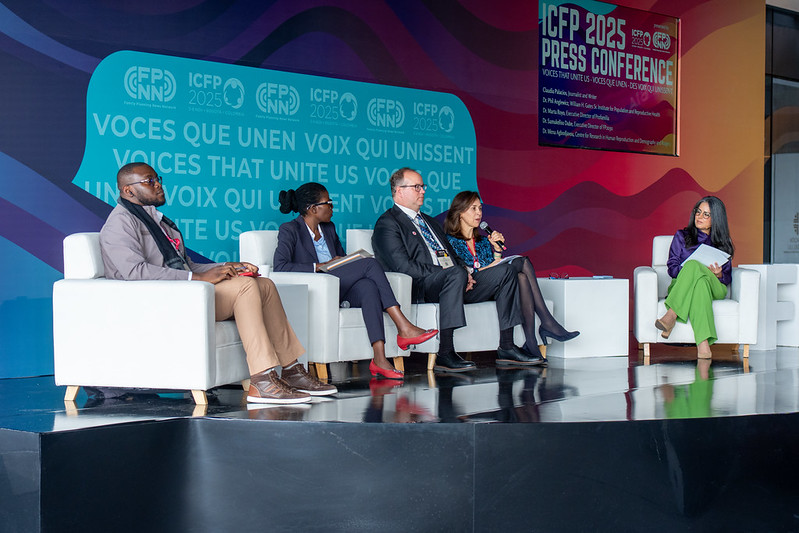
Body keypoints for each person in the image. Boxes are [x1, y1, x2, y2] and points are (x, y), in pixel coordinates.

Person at [99, 162, 336, 404]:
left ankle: (291, 370)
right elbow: (133, 271)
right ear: (128, 191)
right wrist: (197, 278)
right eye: (149, 181)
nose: (158, 184)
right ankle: (263, 379)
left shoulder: (157, 221)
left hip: (183, 293)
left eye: (157, 178)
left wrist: (227, 267)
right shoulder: (120, 223)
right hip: (162, 302)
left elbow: (186, 265)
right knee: (245, 287)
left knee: (263, 285)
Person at [372, 167, 541, 371]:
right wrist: (451, 273)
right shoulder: (388, 223)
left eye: (422, 186)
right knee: (455, 274)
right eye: (416, 187)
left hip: (455, 279)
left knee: (507, 272)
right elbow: (403, 266)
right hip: (423, 286)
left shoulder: (429, 221)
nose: (423, 191)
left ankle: (507, 346)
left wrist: (465, 272)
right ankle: (446, 352)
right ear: (399, 191)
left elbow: (452, 254)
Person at [273, 182, 437, 380]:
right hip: (318, 287)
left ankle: (379, 358)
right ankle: (403, 327)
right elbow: (280, 266)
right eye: (329, 203)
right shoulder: (290, 230)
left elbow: (341, 259)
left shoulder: (329, 228)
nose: (332, 208)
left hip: (337, 283)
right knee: (370, 264)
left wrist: (344, 261)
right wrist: (320, 265)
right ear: (313, 208)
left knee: (368, 287)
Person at [443, 191, 579, 363]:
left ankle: (530, 342)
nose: (478, 213)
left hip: (493, 286)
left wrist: (497, 251)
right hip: (469, 288)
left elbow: (495, 271)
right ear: (460, 212)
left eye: (480, 208)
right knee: (522, 262)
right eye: (473, 208)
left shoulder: (484, 241)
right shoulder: (450, 241)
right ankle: (547, 323)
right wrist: (497, 264)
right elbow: (468, 272)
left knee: (521, 277)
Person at [655, 196, 735, 359]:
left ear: (716, 219)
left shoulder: (722, 242)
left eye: (706, 214)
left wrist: (719, 273)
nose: (699, 217)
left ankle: (671, 315)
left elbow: (726, 278)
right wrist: (693, 272)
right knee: (698, 282)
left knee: (695, 267)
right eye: (698, 212)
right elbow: (672, 268)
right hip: (681, 285)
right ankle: (703, 346)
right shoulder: (681, 236)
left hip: (716, 286)